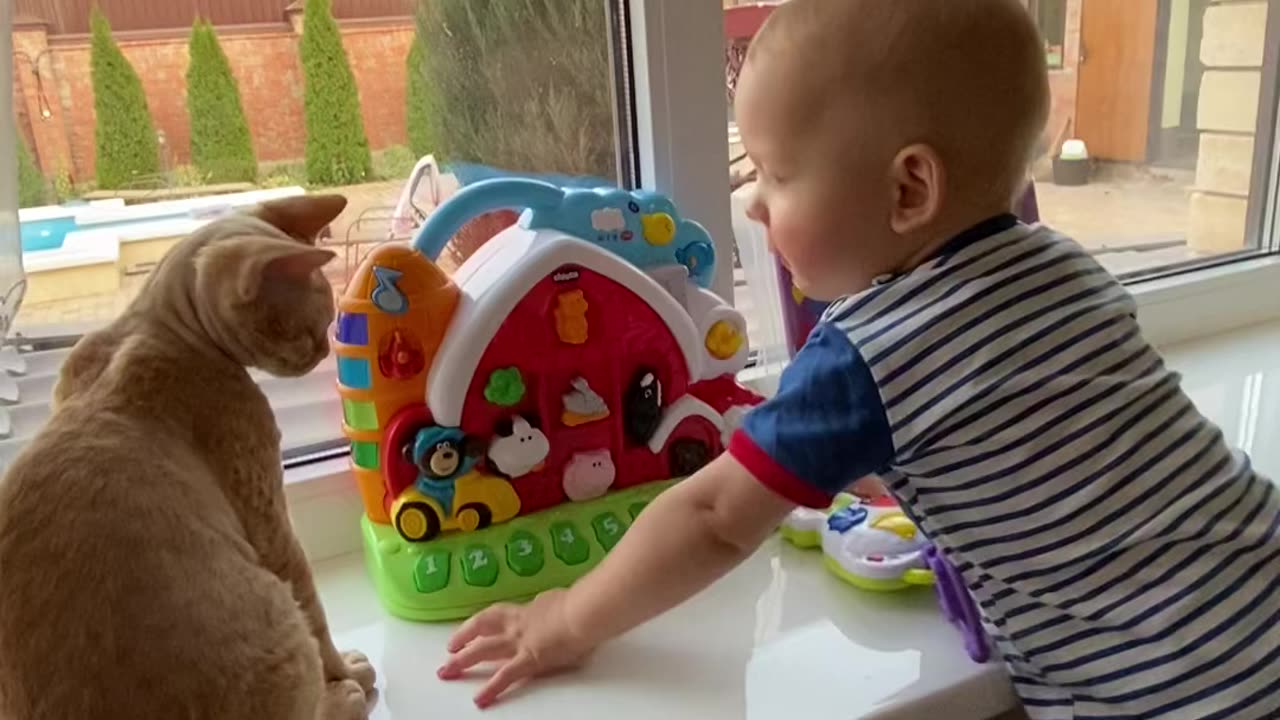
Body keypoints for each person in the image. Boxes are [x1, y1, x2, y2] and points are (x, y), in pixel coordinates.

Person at [439, 1, 1280, 717]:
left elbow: (712, 520)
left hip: (1180, 689)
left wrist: (562, 622)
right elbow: (1035, 434)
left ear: (909, 190)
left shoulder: (867, 355)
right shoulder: (1064, 266)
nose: (752, 202)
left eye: (775, 173)